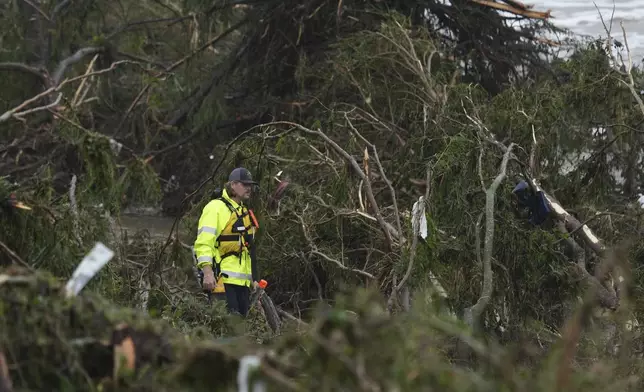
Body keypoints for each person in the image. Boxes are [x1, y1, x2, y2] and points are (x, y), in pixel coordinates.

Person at [194, 167, 260, 317]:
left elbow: (250, 250)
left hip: (243, 286)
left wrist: (254, 280)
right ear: (233, 185)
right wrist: (208, 273)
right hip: (221, 282)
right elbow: (204, 243)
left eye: (250, 185)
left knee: (240, 331)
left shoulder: (243, 212)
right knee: (226, 330)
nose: (249, 188)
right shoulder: (215, 208)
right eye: (245, 184)